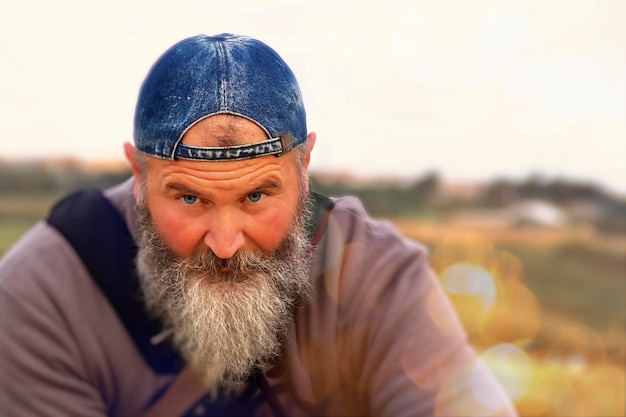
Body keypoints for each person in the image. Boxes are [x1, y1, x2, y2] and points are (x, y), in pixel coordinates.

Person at [0, 34, 517, 416]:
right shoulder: (45, 293)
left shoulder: (373, 275)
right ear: (138, 174)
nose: (225, 245)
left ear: (304, 168)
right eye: (188, 197)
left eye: (256, 195)